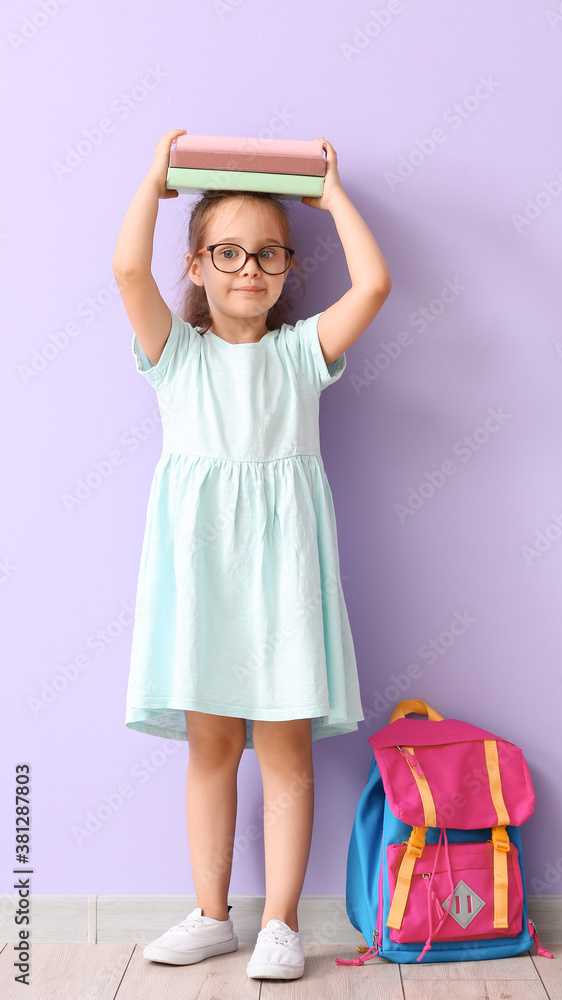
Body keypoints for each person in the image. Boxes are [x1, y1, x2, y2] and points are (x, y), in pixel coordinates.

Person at [112, 128, 392, 980]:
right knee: (208, 749)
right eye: (226, 252)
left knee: (284, 749)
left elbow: (375, 283)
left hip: (282, 581)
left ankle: (278, 924)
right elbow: (127, 271)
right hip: (201, 580)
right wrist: (154, 179)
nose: (248, 269)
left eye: (268, 254)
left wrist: (332, 195)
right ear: (195, 266)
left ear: (287, 270)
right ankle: (210, 913)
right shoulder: (176, 358)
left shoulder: (299, 354)